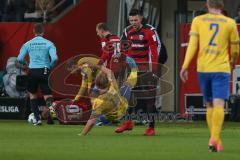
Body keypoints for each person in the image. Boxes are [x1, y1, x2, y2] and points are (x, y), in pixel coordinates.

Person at [180, 0, 239, 152]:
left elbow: (192, 45)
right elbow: (235, 48)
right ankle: (215, 137)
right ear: (222, 5)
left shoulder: (198, 20)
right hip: (221, 68)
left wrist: (185, 66)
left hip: (204, 68)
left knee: (210, 104)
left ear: (207, 4)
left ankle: (214, 139)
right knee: (219, 104)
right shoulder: (230, 22)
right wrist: (232, 61)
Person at [116, 9, 160, 136]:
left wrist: (154, 70)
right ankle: (128, 122)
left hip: (147, 69)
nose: (133, 22)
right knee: (129, 96)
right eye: (131, 20)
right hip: (133, 70)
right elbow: (124, 51)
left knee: (149, 98)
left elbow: (155, 50)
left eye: (136, 20)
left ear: (141, 19)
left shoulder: (150, 31)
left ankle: (151, 127)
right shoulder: (126, 31)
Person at [17, 23, 58, 125]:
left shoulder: (27, 44)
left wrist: (26, 65)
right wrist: (50, 66)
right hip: (44, 70)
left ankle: (37, 119)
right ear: (43, 32)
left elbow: (19, 59)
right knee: (48, 95)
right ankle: (51, 116)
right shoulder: (49, 43)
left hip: (33, 70)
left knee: (32, 94)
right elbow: (55, 58)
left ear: (33, 32)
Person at [80, 65, 130, 136]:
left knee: (96, 114)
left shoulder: (99, 101)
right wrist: (97, 65)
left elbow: (91, 122)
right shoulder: (113, 85)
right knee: (126, 87)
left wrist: (82, 134)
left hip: (113, 117)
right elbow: (109, 71)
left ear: (96, 85)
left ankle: (100, 120)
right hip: (124, 108)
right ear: (109, 82)